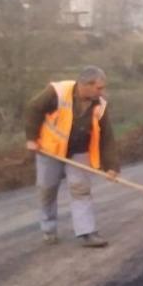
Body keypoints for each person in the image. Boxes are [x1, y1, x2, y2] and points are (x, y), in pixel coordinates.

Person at [24, 66, 119, 248]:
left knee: (80, 190)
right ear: (86, 84)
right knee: (47, 190)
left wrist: (111, 166)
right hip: (50, 150)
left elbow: (107, 137)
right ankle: (49, 229)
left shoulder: (100, 104)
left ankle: (87, 232)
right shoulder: (58, 92)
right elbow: (33, 109)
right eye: (99, 88)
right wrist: (31, 138)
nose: (102, 92)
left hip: (79, 151)